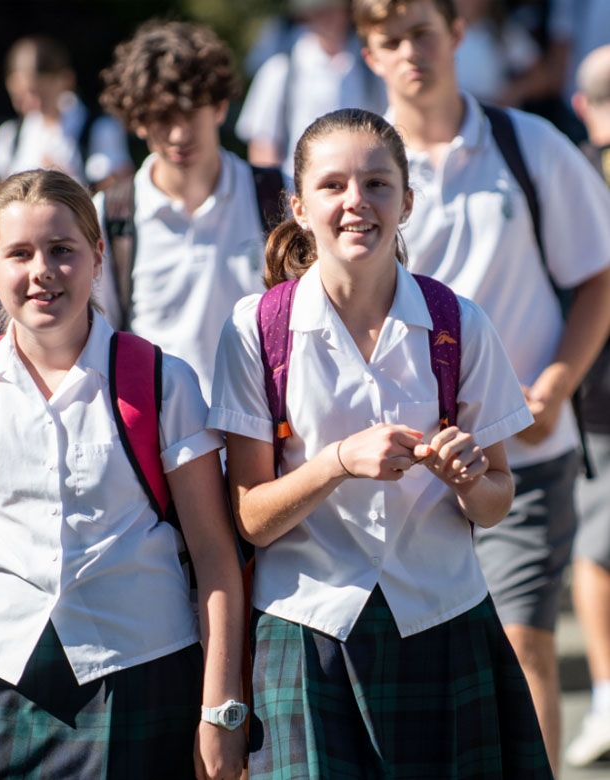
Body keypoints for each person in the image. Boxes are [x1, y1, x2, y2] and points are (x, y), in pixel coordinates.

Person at [0, 168, 246, 780]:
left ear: (98, 257)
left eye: (62, 250)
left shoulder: (163, 381)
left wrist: (220, 708)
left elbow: (213, 554)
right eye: (19, 253)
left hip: (141, 672)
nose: (41, 270)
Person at [209, 107, 551, 778]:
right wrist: (337, 462)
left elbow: (496, 501)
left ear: (408, 202)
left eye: (377, 183)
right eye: (333, 185)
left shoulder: (460, 322)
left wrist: (467, 480)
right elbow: (248, 518)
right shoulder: (255, 328)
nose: (356, 202)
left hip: (444, 617)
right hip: (306, 628)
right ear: (299, 206)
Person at [354, 0, 610, 772]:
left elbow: (598, 275)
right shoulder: (361, 167)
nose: (409, 53)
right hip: (401, 468)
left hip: (525, 451)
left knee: (524, 639)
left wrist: (558, 383)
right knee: (424, 665)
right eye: (388, 40)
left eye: (422, 33)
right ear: (367, 53)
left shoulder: (526, 144)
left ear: (459, 34)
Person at [96, 20, 280, 401]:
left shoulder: (279, 197)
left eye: (191, 111)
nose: (179, 134)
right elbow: (99, 344)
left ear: (219, 106)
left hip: (266, 434)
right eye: (162, 116)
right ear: (139, 122)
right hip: (159, 442)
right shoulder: (109, 216)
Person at [564, 42, 610, 768]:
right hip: (595, 388)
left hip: (590, 388)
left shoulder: (563, 168)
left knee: (596, 550)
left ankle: (606, 695)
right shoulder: (567, 169)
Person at [235, 0, 386, 177]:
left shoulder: (373, 68)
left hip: (361, 189)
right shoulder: (280, 69)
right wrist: (277, 198)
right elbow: (264, 146)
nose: (327, 17)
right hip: (296, 192)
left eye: (332, 9)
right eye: (318, 10)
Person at [0, 34, 132, 191]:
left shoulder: (99, 129)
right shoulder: (11, 135)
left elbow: (118, 194)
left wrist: (63, 184)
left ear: (66, 80)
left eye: (39, 94)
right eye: (19, 96)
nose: (29, 104)